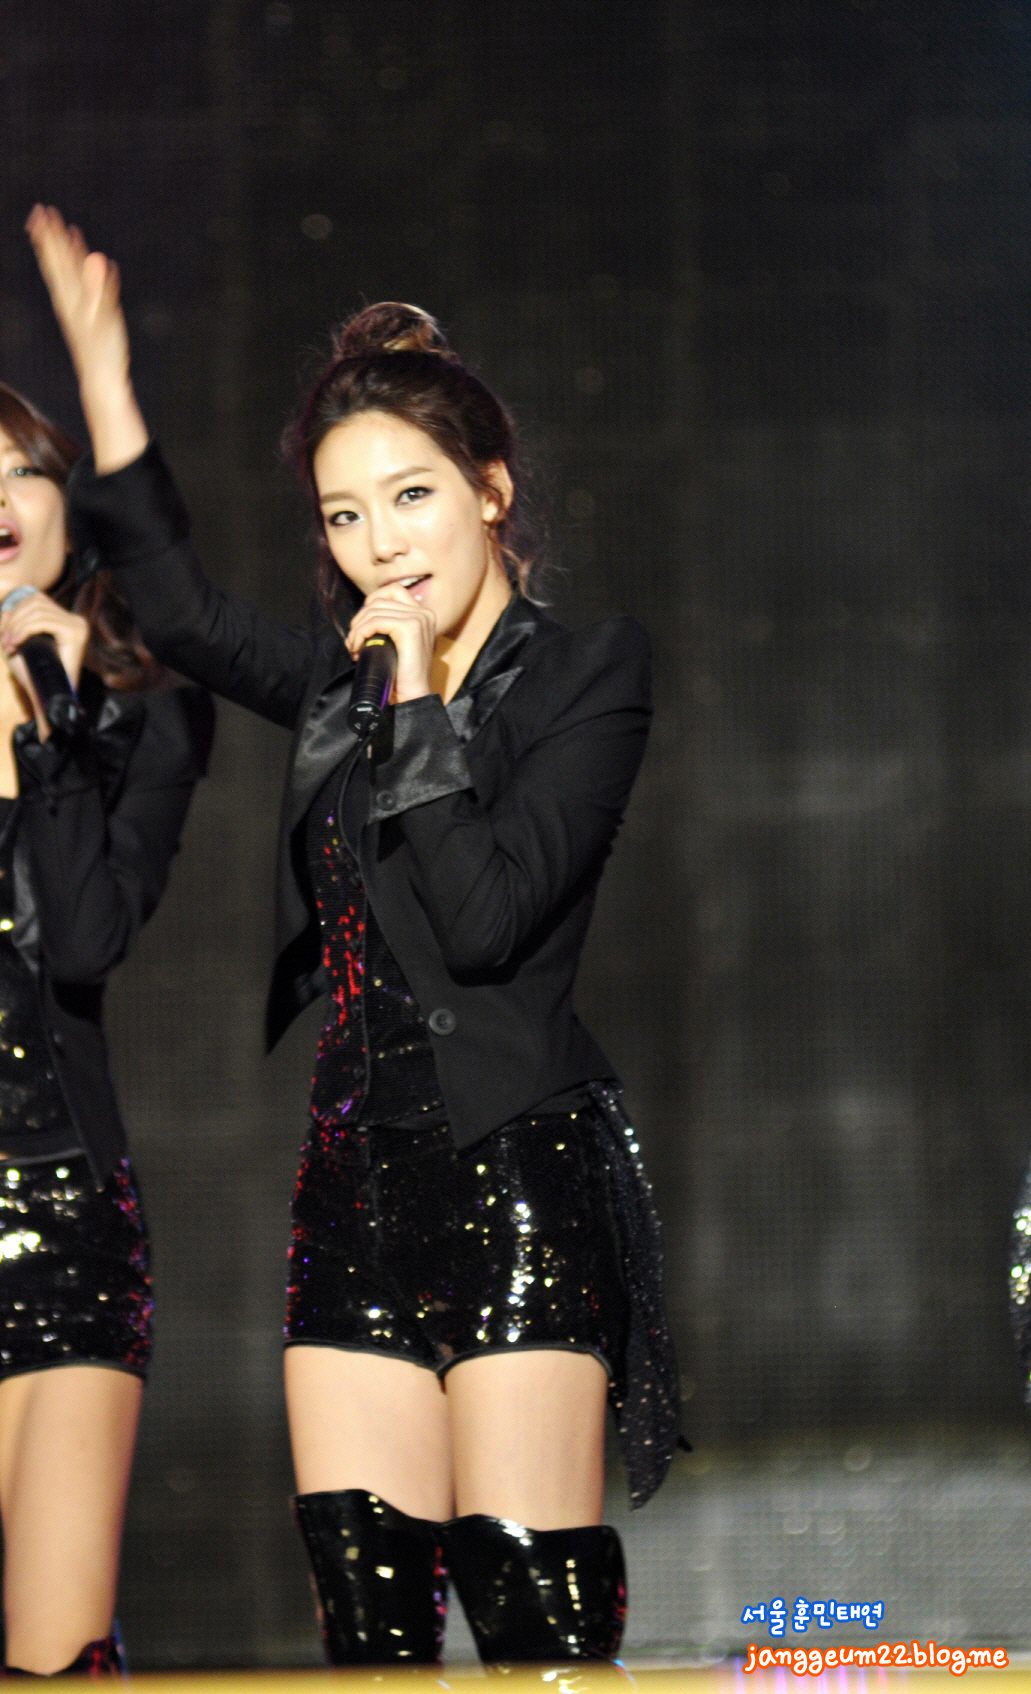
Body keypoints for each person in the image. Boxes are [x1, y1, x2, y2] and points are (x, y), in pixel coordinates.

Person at [30, 203, 679, 1666]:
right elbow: (183, 613)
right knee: (370, 1629)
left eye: (411, 497)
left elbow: (489, 913)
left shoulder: (585, 674)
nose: (380, 545)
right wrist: (109, 382)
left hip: (519, 1176)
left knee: (532, 1623)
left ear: (491, 490)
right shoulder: (342, 689)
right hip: (353, 1192)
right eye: (342, 516)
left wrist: (417, 699)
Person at [0, 376, 214, 1676]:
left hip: (64, 1215)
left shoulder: (144, 716)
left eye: (20, 473)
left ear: (67, 506)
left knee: (57, 1652)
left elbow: (83, 940)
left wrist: (56, 738)